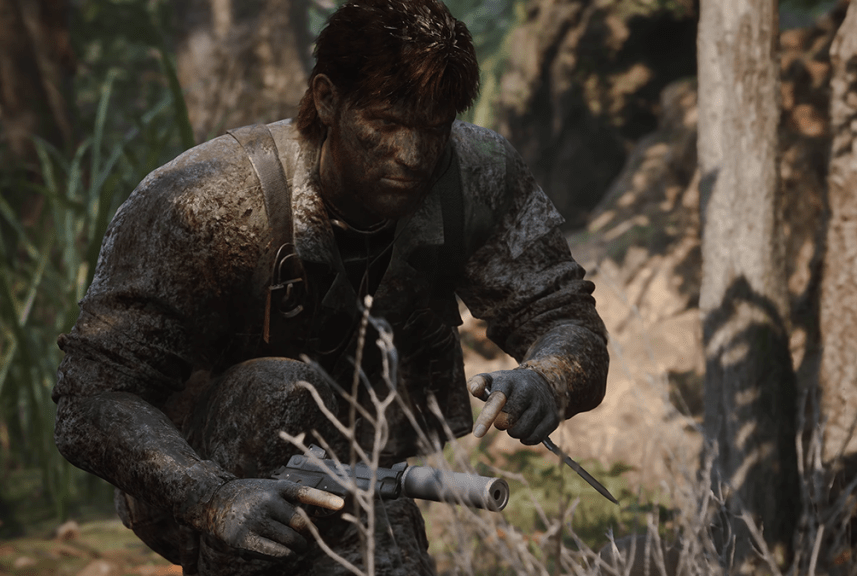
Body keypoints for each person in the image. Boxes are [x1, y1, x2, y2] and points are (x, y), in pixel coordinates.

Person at [52, 0, 609, 574]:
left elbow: (564, 317)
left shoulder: (477, 173)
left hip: (370, 470)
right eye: (386, 124)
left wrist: (548, 378)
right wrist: (209, 496)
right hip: (199, 481)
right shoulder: (206, 200)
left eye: (433, 129)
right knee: (279, 391)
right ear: (326, 100)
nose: (413, 156)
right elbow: (88, 400)